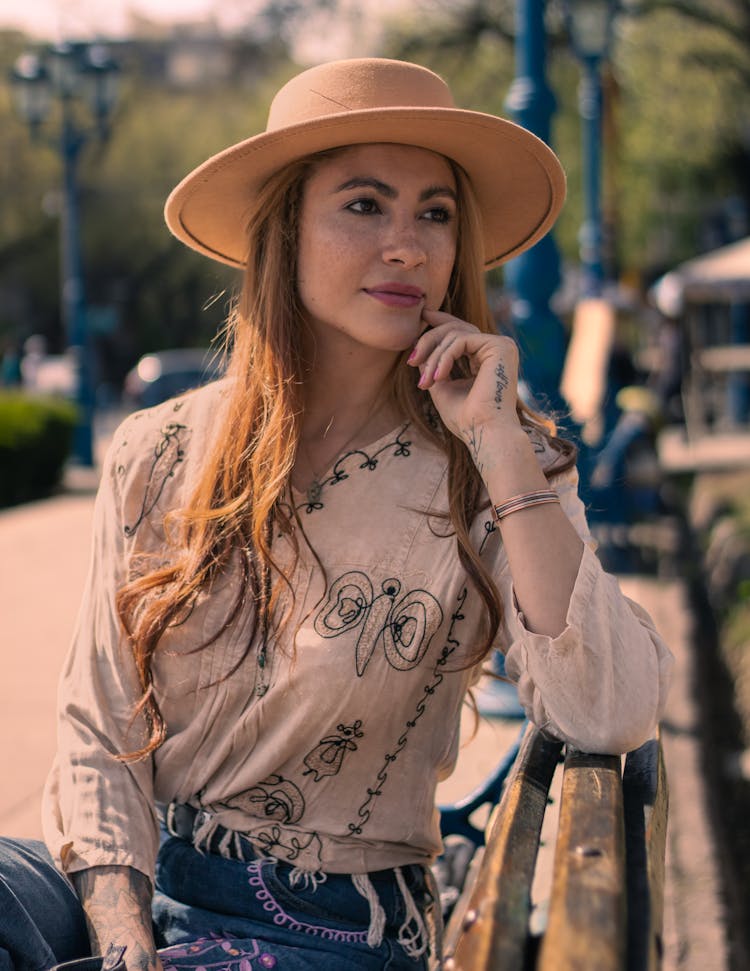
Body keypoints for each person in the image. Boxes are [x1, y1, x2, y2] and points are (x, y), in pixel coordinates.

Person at [0, 58, 673, 971]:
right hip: (139, 885)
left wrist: (504, 448)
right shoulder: (159, 450)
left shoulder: (488, 465)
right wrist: (123, 937)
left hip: (330, 927)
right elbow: (97, 725)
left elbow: (611, 708)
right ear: (286, 230)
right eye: (365, 205)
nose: (408, 244)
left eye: (434, 212)